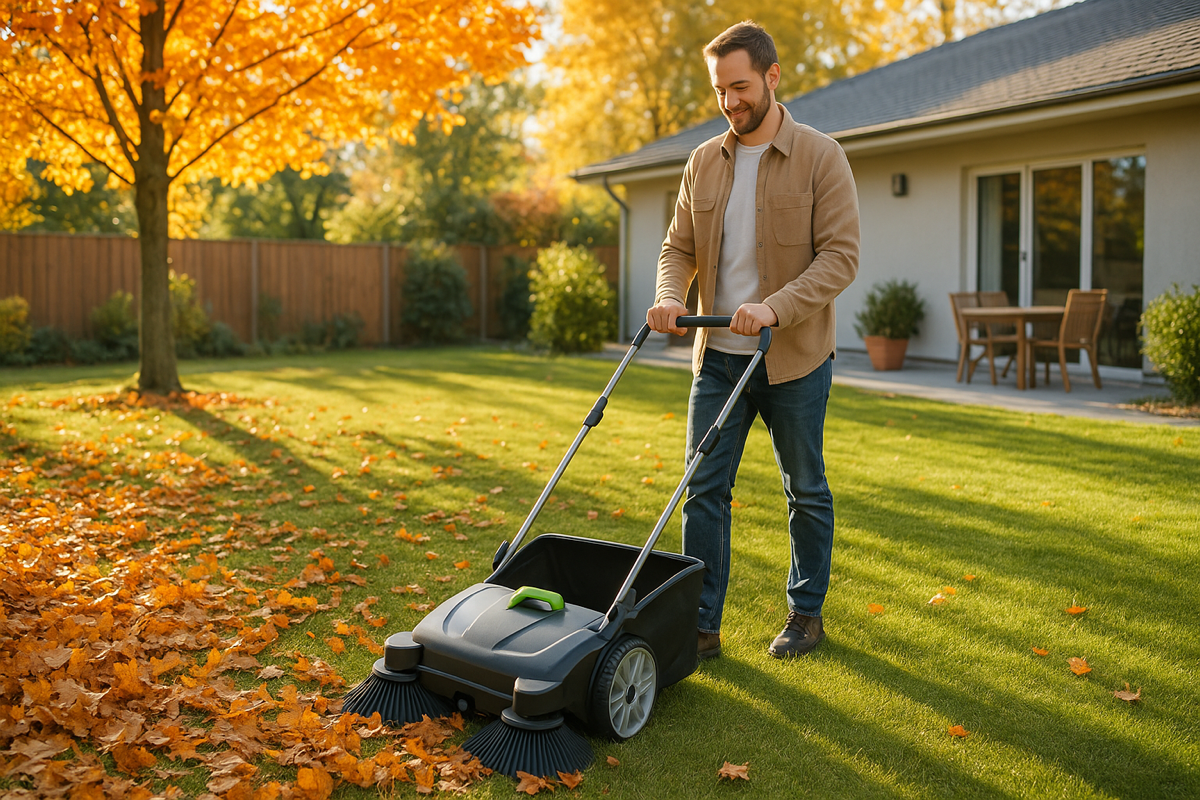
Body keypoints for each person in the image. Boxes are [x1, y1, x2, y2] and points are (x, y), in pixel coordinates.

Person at [646, 21, 859, 660]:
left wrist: (774, 308)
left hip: (794, 358)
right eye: (719, 91)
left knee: (805, 489)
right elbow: (677, 247)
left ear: (770, 77)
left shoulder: (822, 156)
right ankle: (700, 626)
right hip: (718, 361)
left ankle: (805, 614)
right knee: (702, 491)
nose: (729, 101)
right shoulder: (702, 164)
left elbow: (840, 258)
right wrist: (669, 297)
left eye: (739, 86)